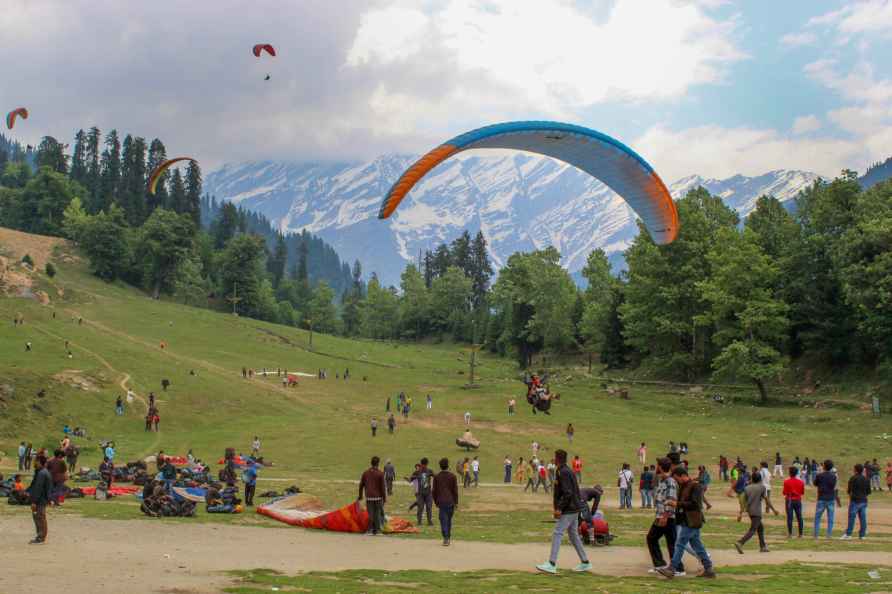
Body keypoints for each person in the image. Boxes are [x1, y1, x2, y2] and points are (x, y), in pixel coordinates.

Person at [536, 450, 591, 574]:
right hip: (574, 507)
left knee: (557, 533)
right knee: (573, 535)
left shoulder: (563, 472)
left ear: (557, 459)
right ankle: (585, 562)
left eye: (554, 457)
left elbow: (568, 493)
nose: (553, 459)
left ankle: (551, 563)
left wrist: (559, 508)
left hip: (569, 509)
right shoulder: (567, 470)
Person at [657, 467, 715, 579]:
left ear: (683, 475)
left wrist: (677, 504)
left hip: (692, 521)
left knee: (680, 544)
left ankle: (671, 569)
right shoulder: (683, 486)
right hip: (686, 521)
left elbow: (696, 505)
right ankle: (709, 569)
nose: (677, 481)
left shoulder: (696, 486)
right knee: (697, 546)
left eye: (677, 478)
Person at [735, 470, 778, 554]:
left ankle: (763, 546)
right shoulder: (762, 487)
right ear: (760, 479)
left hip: (750, 511)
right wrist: (773, 510)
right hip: (757, 511)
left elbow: (743, 501)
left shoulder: (747, 488)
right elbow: (767, 500)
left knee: (760, 528)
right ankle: (740, 542)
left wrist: (740, 513)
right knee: (753, 529)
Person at [647, 459, 677, 573]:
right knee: (661, 540)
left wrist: (665, 516)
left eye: (657, 465)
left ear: (660, 467)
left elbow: (671, 499)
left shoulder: (670, 481)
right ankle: (662, 565)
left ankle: (676, 567)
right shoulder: (662, 480)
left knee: (656, 539)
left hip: (666, 517)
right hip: (660, 516)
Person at [433, 457, 459, 546]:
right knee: (448, 520)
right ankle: (447, 537)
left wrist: (436, 501)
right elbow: (455, 490)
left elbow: (434, 491)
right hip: (450, 501)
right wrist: (456, 502)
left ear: (440, 466)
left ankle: (446, 538)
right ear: (448, 465)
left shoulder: (437, 477)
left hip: (441, 502)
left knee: (443, 520)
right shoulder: (453, 476)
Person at [841, 463, 871, 540]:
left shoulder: (853, 478)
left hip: (855, 501)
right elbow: (868, 491)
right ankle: (862, 535)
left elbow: (849, 490)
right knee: (863, 518)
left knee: (851, 518)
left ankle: (848, 534)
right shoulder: (866, 479)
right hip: (863, 501)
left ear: (856, 470)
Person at [358, 456, 387, 535]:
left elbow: (361, 485)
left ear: (371, 463)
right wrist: (384, 498)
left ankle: (370, 530)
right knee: (377, 513)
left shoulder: (366, 473)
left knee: (370, 514)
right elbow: (383, 487)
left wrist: (360, 496)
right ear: (378, 463)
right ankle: (377, 530)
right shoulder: (380, 473)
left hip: (369, 497)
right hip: (378, 497)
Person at [27, 455, 52, 544]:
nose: (34, 463)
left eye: (36, 461)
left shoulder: (42, 473)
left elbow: (38, 488)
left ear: (41, 462)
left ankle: (41, 537)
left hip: (40, 500)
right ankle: (40, 536)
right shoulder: (41, 472)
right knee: (39, 517)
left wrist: (34, 501)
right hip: (41, 499)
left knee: (39, 518)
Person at [814, 459, 837, 538]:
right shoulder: (834, 476)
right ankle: (829, 535)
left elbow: (815, 483)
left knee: (817, 517)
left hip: (821, 498)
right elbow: (833, 486)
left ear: (824, 466)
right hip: (830, 498)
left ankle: (816, 535)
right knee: (830, 518)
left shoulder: (819, 475)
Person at [782, 466, 805, 538]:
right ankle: (800, 534)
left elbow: (784, 492)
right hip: (798, 500)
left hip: (789, 500)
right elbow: (802, 492)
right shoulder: (801, 482)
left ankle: (790, 534)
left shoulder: (786, 481)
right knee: (799, 517)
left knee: (790, 517)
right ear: (797, 473)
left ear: (790, 473)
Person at [415, 458, 434, 526]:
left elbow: (435, 476)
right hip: (420, 493)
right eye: (423, 465)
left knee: (429, 507)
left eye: (425, 465)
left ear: (427, 464)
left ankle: (429, 521)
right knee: (420, 507)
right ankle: (419, 521)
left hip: (428, 493)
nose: (424, 466)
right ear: (421, 464)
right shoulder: (417, 471)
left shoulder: (429, 471)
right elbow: (411, 479)